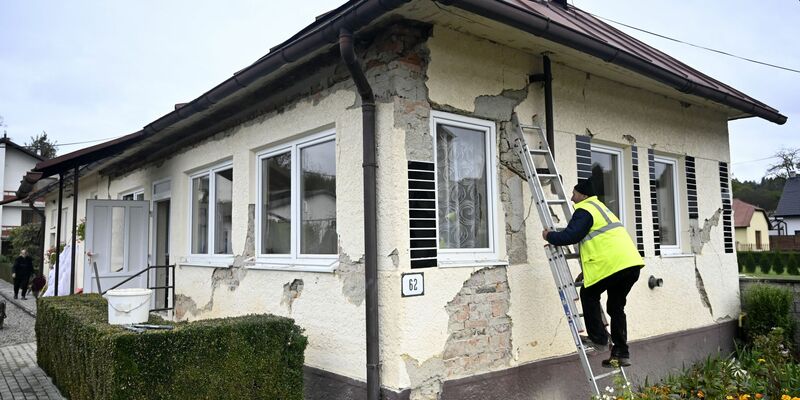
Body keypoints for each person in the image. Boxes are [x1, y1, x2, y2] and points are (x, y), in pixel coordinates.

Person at [542, 179, 643, 367]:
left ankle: (599, 339)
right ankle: (621, 353)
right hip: (630, 265)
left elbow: (570, 236)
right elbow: (603, 243)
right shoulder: (601, 208)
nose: (572, 199)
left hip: (613, 266)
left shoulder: (585, 210)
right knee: (615, 307)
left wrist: (549, 235)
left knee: (588, 294)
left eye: (574, 194)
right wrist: (587, 272)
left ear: (584, 195)